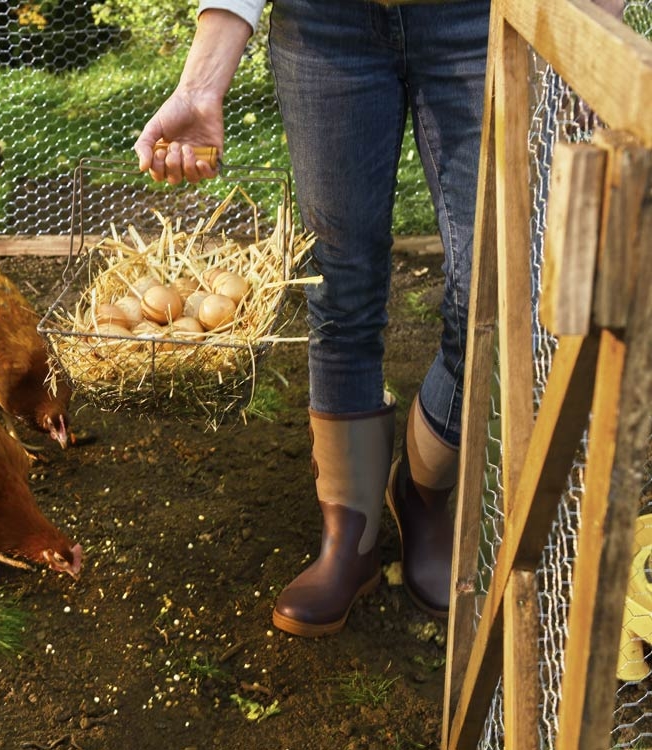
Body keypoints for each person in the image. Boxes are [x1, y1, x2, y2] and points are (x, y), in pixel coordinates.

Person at [134, 0, 490, 637]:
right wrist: (199, 83)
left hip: (480, 22)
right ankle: (347, 536)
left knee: (490, 289)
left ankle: (425, 489)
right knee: (340, 282)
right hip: (328, 26)